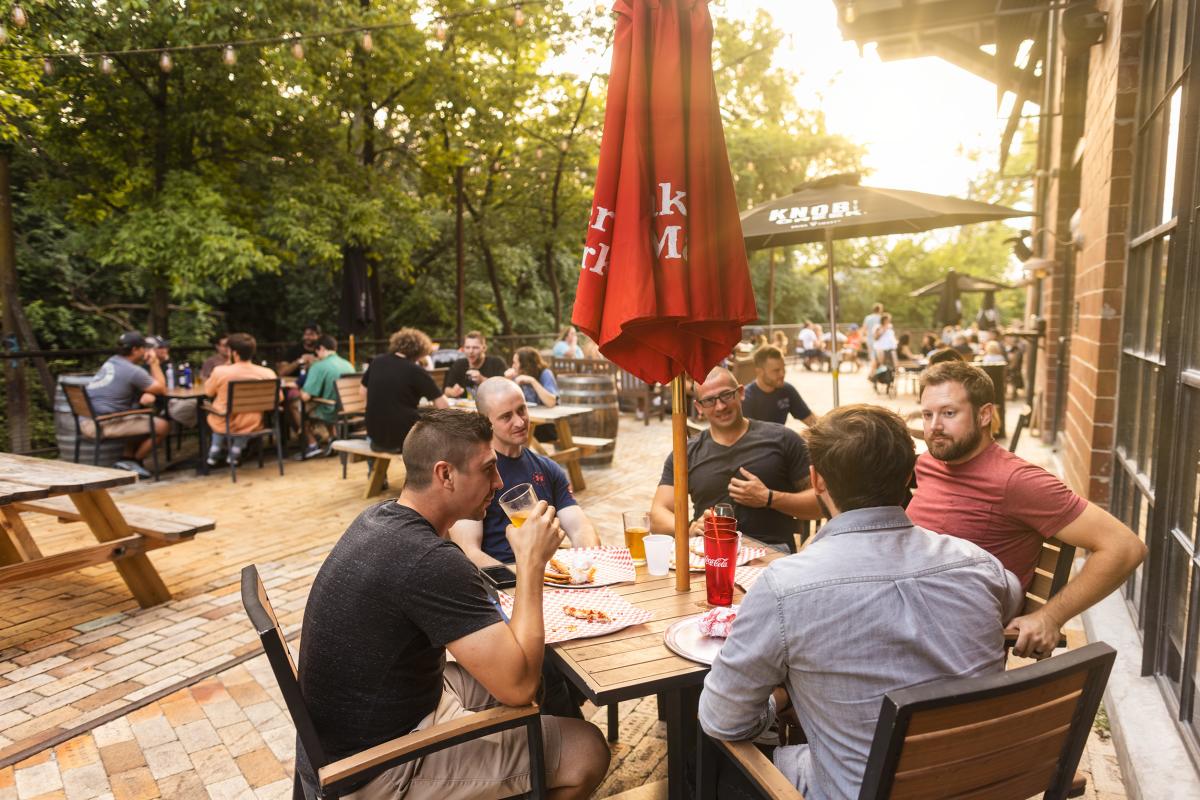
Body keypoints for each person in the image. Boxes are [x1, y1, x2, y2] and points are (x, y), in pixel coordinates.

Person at [699, 405, 1023, 800]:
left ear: (816, 480)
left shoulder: (785, 586)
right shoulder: (979, 564)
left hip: (861, 790)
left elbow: (722, 720)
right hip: (982, 783)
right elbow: (1011, 599)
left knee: (707, 766)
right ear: (909, 475)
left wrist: (778, 700)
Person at [296, 409, 609, 800]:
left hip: (357, 732)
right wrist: (530, 565)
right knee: (586, 748)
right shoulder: (431, 559)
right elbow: (517, 687)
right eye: (489, 469)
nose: (498, 482)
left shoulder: (379, 517)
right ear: (445, 475)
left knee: (539, 679)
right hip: (369, 771)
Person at [909, 361, 1146, 659]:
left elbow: (1124, 547)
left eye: (949, 413)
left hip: (954, 647)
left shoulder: (1017, 481)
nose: (934, 427)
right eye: (927, 415)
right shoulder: (930, 463)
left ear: (985, 415)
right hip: (912, 622)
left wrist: (1050, 616)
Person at [650, 367, 819, 552]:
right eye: (709, 400)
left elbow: (821, 503)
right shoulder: (686, 454)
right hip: (712, 553)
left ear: (741, 393)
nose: (720, 406)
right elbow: (658, 515)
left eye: (726, 395)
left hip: (771, 555)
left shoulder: (783, 439)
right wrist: (689, 527)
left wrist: (769, 498)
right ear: (699, 407)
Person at [450, 377, 599, 567]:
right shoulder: (471, 474)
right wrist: (523, 581)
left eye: (522, 410)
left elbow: (579, 528)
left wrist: (587, 565)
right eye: (506, 416)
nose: (520, 422)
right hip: (502, 583)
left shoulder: (547, 468)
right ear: (485, 422)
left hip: (552, 578)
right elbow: (468, 552)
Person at [83, 331, 168, 478]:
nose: (145, 351)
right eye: (143, 348)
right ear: (135, 350)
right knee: (163, 426)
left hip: (87, 420)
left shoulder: (111, 361)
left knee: (137, 414)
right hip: (103, 424)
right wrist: (154, 363)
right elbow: (161, 389)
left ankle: (128, 459)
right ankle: (132, 461)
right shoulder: (133, 371)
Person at [362, 327, 449, 453]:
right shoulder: (415, 370)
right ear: (420, 351)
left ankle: (373, 472)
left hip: (375, 437)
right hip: (404, 439)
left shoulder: (377, 361)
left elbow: (362, 392)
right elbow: (443, 405)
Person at [203, 333, 278, 467]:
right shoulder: (267, 373)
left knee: (213, 411)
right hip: (253, 423)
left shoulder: (220, 371)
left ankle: (215, 448)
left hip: (225, 423)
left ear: (234, 353)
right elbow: (279, 398)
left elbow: (208, 392)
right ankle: (237, 449)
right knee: (246, 416)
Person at [296, 335, 356, 460]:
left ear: (321, 348)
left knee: (297, 409)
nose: (317, 356)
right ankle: (333, 439)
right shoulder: (348, 364)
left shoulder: (319, 366)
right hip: (350, 409)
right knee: (327, 401)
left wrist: (298, 388)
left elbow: (306, 396)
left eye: (316, 352)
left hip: (331, 410)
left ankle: (312, 444)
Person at [742, 346, 817, 427]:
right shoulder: (746, 398)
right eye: (776, 370)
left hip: (780, 437)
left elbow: (810, 420)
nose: (782, 374)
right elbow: (748, 435)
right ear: (760, 372)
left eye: (783, 368)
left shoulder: (787, 390)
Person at [146, 336, 198, 429]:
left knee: (202, 405)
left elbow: (180, 382)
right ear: (150, 350)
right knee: (199, 407)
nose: (165, 349)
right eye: (160, 347)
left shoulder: (169, 364)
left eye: (166, 346)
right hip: (162, 405)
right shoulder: (146, 368)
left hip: (178, 399)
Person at [443, 331, 508, 398]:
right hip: (463, 407)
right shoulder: (459, 364)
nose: (471, 351)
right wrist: (453, 392)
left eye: (475, 348)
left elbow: (505, 388)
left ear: (484, 348)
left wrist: (482, 380)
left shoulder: (496, 363)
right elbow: (446, 390)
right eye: (467, 347)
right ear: (463, 349)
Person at [861, 302, 883, 371]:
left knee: (872, 355)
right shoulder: (881, 318)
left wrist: (865, 337)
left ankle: (873, 371)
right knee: (878, 355)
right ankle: (875, 372)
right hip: (879, 339)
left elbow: (864, 329)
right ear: (879, 310)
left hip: (869, 339)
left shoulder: (868, 318)